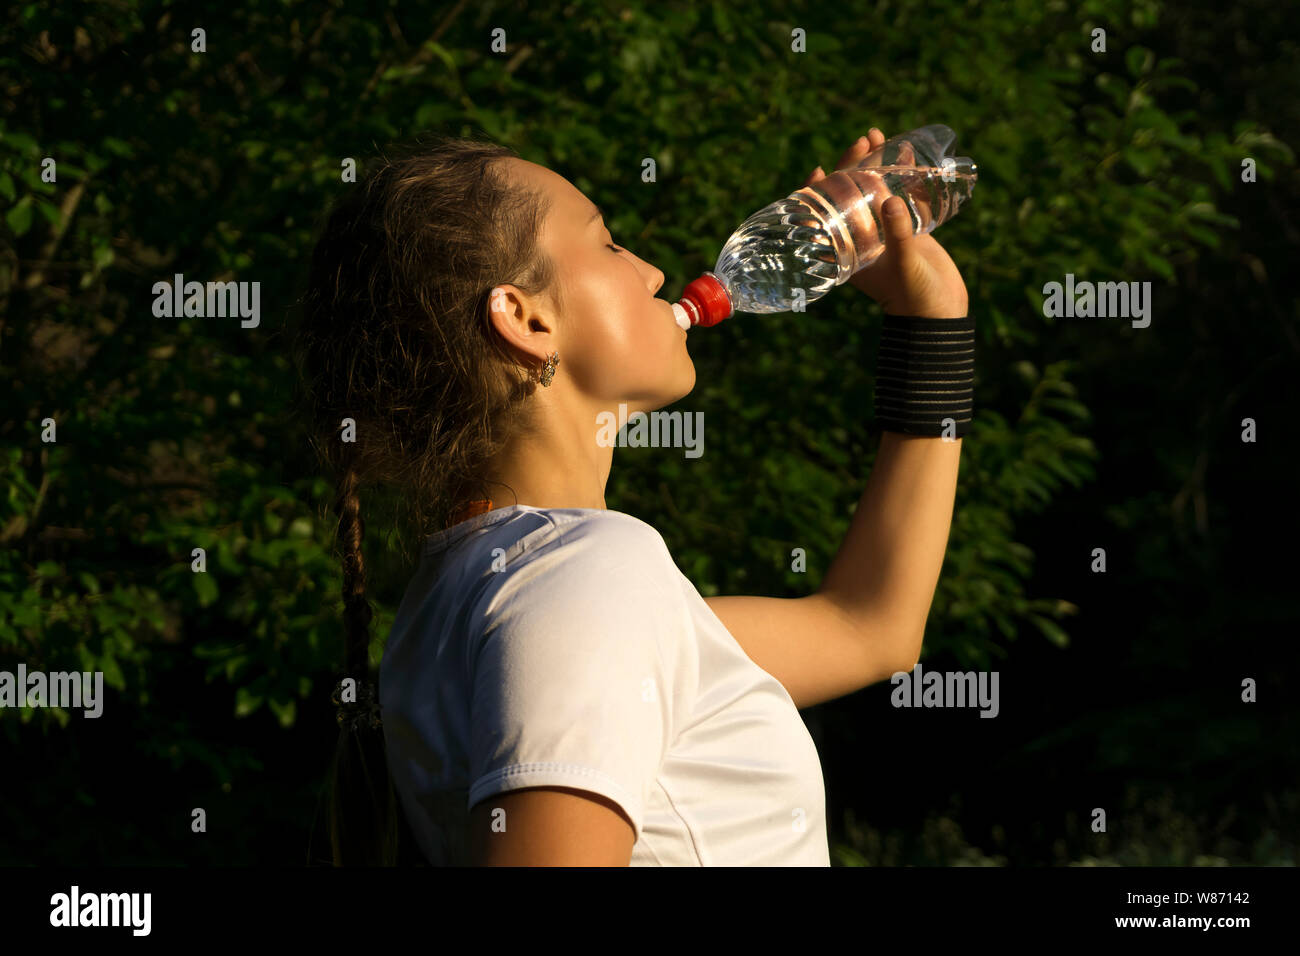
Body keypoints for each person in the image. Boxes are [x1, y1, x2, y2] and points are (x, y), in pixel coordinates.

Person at [293, 127, 972, 866]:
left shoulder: (478, 595)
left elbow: (868, 626)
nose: (651, 272)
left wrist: (930, 323)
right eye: (609, 244)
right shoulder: (584, 578)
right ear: (526, 318)